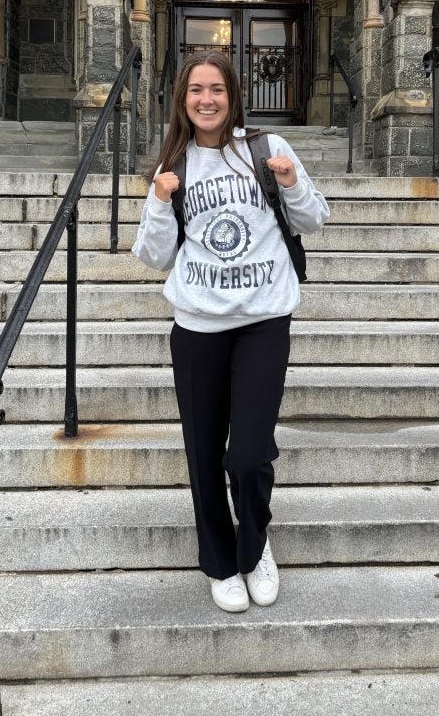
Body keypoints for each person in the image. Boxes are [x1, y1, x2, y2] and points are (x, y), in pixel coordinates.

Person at [132, 50, 329, 613]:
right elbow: (152, 256)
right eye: (196, 89)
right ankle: (220, 563)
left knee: (247, 454)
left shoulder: (267, 150)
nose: (207, 99)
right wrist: (159, 201)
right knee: (203, 453)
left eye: (216, 88)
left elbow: (315, 219)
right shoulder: (174, 165)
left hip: (264, 320)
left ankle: (255, 545)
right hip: (197, 326)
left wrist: (291, 185)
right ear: (183, 100)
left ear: (232, 94)